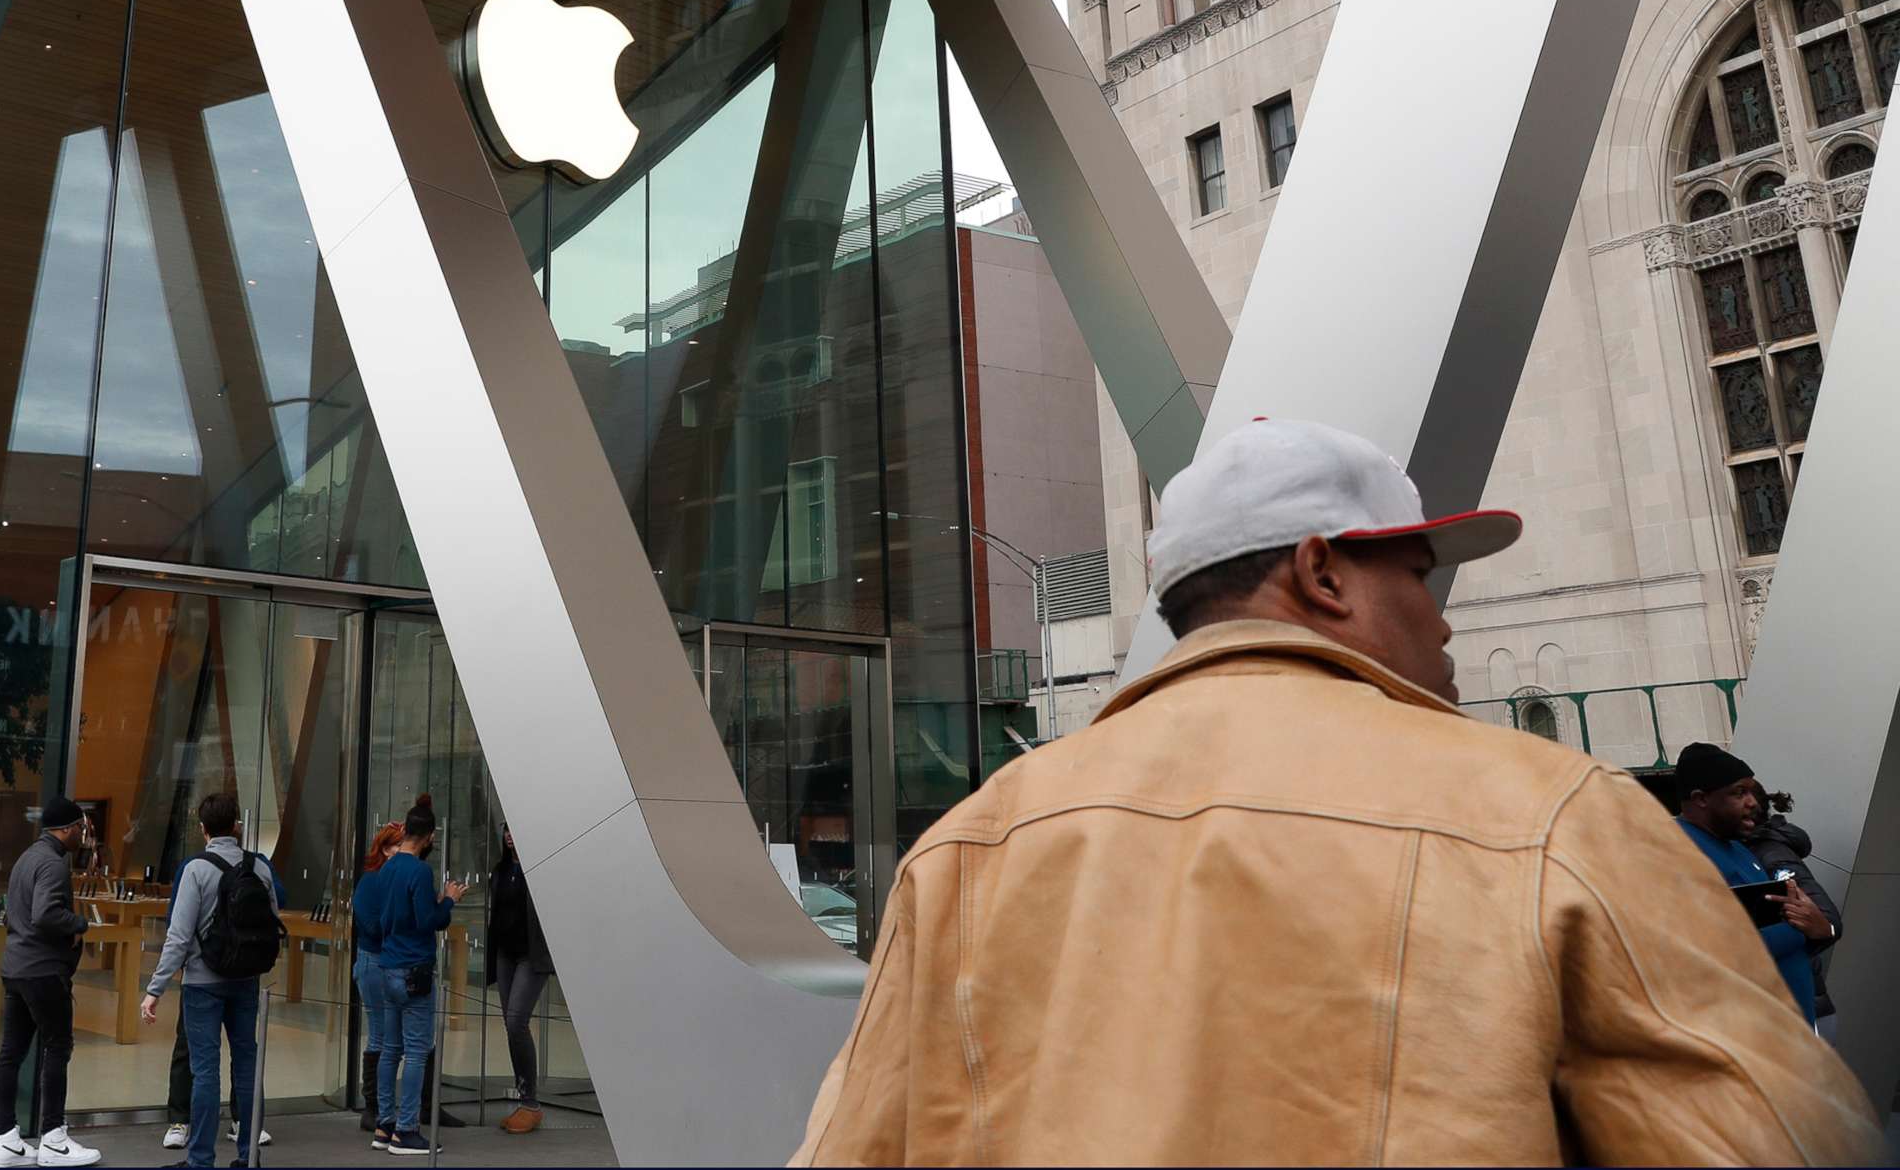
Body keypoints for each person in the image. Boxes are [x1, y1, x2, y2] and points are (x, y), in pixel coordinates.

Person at [792, 418, 1882, 1166]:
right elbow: (1777, 1140)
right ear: (1321, 572)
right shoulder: (1552, 815)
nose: (1444, 618)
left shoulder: (969, 845)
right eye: (1419, 573)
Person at [142, 791, 283, 1170]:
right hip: (246, 981)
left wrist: (155, 988)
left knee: (204, 1070)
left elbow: (179, 935)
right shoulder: (261, 869)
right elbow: (271, 923)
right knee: (247, 1062)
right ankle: (248, 1155)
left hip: (203, 983)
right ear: (236, 825)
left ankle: (201, 1160)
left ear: (203, 828)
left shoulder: (196, 869)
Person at [1672, 742, 1835, 1024]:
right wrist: (1805, 930)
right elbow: (1712, 949)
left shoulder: (1736, 848)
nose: (1754, 803)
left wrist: (1819, 927)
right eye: (1739, 792)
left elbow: (1789, 924)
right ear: (1700, 799)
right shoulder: (1677, 850)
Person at [0, 799, 100, 1168]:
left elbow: (14, 914)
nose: (82, 836)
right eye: (80, 829)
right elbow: (46, 913)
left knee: (11, 1053)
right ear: (66, 829)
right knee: (57, 1047)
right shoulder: (53, 864)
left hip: (16, 968)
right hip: (42, 970)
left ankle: (6, 1140)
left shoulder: (26, 859)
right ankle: (53, 1137)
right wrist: (80, 925)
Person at [353, 797, 460, 1158]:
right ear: (429, 836)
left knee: (390, 1049)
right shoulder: (417, 871)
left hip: (387, 965)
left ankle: (384, 1124)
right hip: (414, 967)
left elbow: (381, 921)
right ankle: (407, 1130)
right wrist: (448, 900)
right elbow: (429, 920)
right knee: (415, 1052)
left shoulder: (386, 870)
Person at [1753, 788, 1846, 1037]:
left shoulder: (1771, 854)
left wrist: (1797, 942)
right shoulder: (1744, 851)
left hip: (1806, 1014)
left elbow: (1828, 921)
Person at [484, 827, 551, 1135]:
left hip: (530, 956)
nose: (510, 835)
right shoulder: (499, 871)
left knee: (516, 1022)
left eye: (516, 829)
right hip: (505, 955)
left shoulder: (538, 870)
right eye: (506, 830)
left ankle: (531, 1102)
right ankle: (525, 1099)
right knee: (510, 1025)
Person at [353, 820, 405, 1134]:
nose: (403, 851)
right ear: (385, 849)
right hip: (374, 962)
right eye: (398, 845)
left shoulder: (399, 877)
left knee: (400, 1037)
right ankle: (372, 1107)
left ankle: (392, 1106)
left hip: (393, 961)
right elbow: (371, 927)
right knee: (381, 1036)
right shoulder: (371, 882)